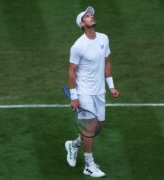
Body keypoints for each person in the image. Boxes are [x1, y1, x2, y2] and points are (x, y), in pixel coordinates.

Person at [64, 6, 119, 178]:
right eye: (87, 16)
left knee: (97, 128)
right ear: (82, 24)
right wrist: (74, 97)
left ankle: (73, 145)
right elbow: (71, 71)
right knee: (90, 128)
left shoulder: (104, 38)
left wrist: (111, 86)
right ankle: (89, 165)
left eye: (91, 15)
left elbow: (107, 62)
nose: (91, 17)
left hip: (99, 91)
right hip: (84, 92)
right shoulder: (78, 46)